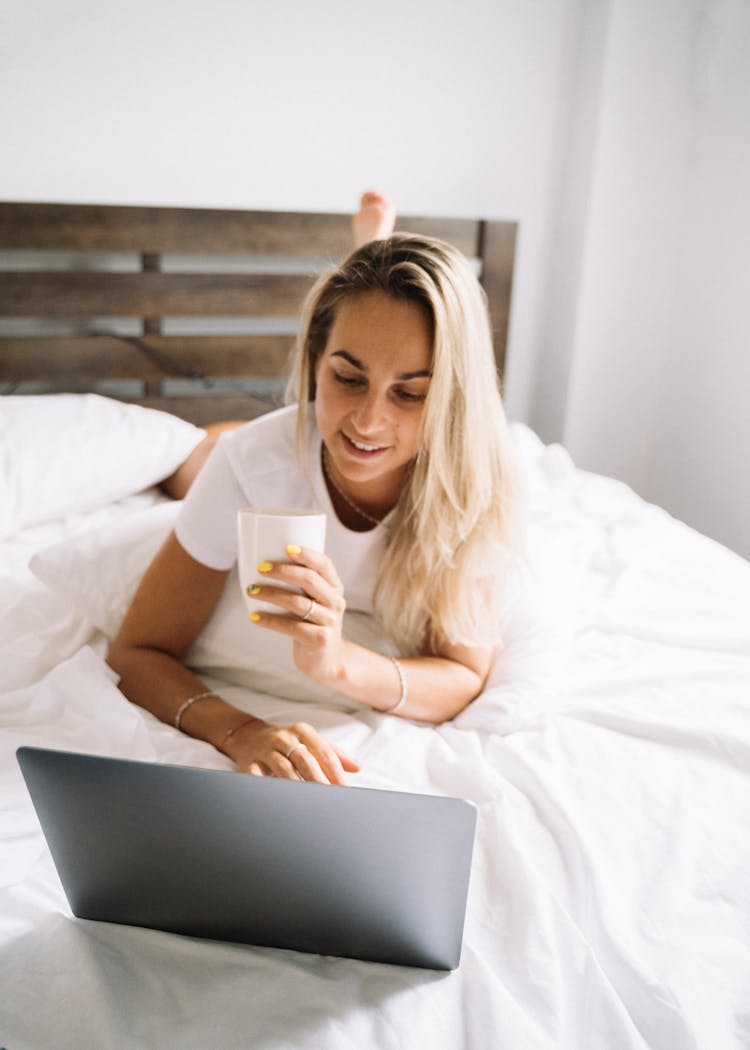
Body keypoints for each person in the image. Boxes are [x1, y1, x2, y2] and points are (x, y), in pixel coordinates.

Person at [107, 192, 521, 785]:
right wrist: (240, 731)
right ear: (312, 362)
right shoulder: (252, 460)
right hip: (249, 451)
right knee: (189, 464)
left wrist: (336, 663)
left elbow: (461, 675)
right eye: (347, 377)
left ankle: (370, 245)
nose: (369, 420)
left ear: (454, 397)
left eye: (410, 392)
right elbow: (136, 652)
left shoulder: (477, 480)